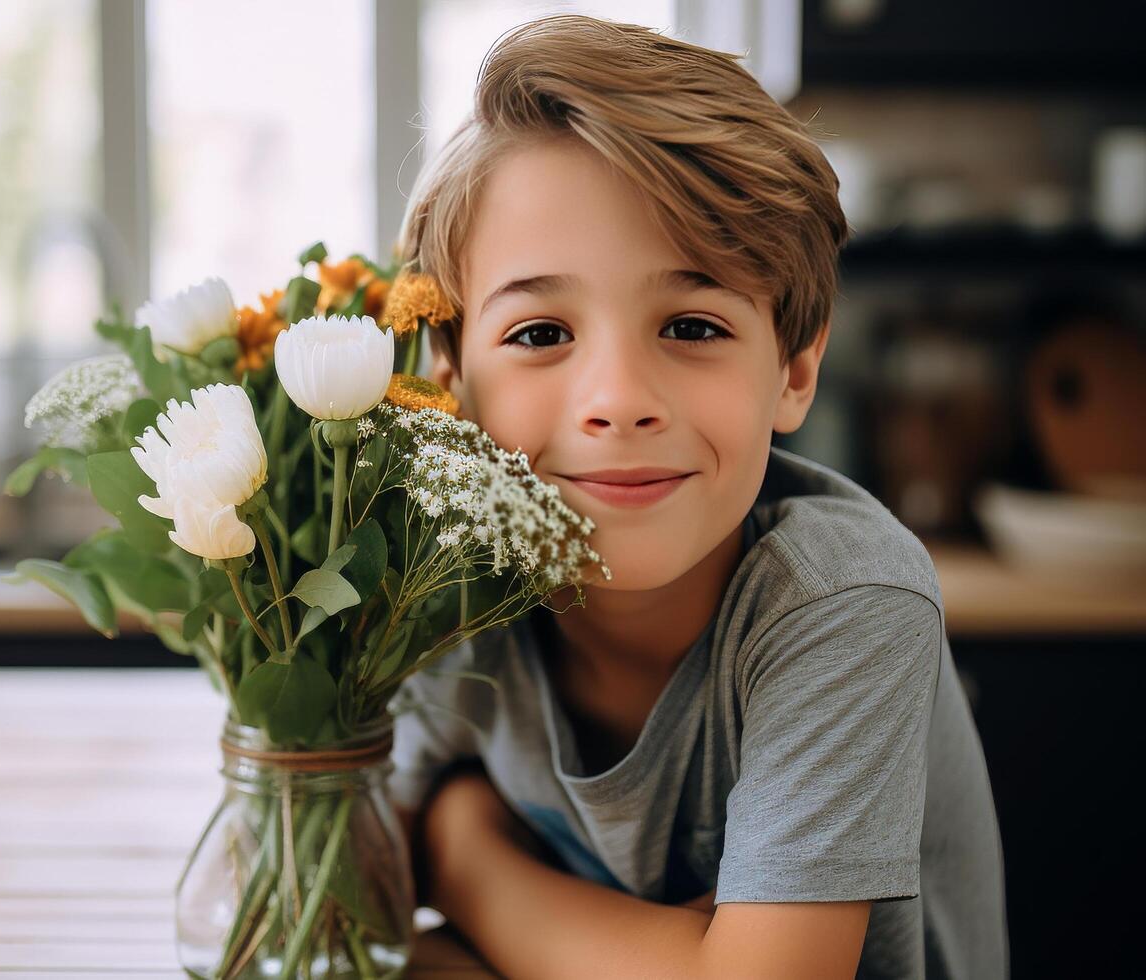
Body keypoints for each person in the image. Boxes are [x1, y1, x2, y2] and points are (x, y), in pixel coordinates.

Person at [384, 14, 1008, 980]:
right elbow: (351, 896)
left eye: (690, 323)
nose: (619, 402)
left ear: (794, 368)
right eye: (540, 334)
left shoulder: (840, 600)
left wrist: (466, 860)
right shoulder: (434, 583)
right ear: (449, 381)